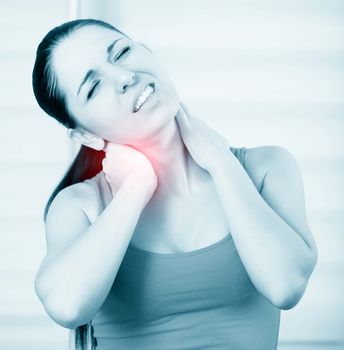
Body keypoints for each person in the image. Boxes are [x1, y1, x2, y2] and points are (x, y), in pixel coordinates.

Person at [32, 18, 318, 350]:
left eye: (122, 52)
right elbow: (67, 306)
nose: (125, 78)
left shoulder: (266, 168)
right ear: (84, 135)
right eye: (94, 87)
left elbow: (285, 286)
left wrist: (220, 161)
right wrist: (135, 189)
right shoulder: (80, 205)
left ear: (148, 52)